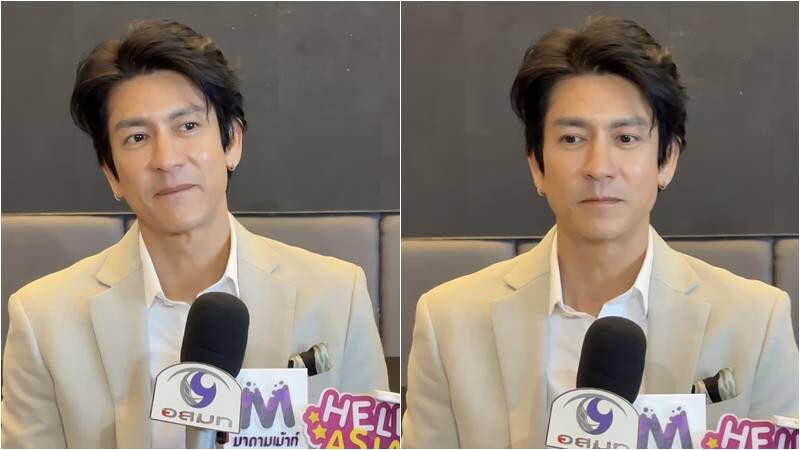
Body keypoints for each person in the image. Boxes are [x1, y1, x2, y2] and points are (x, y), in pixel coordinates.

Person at [402, 15, 798, 448]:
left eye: (626, 138)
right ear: (537, 164)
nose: (599, 168)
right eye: (572, 139)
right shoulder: (450, 321)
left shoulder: (755, 322)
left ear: (667, 159)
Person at [1, 20, 388, 448]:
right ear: (111, 172)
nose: (167, 159)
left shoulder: (337, 296)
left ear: (231, 142)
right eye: (137, 137)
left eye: (187, 126)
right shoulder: (43, 320)